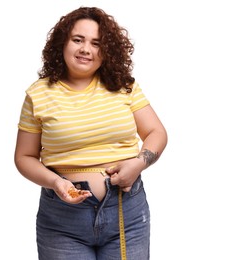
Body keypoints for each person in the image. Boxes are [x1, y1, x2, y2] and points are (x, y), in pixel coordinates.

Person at [14, 6, 167, 260]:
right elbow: (24, 157)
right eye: (78, 40)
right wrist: (56, 183)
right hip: (63, 222)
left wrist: (138, 164)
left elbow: (156, 132)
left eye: (96, 43)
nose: (86, 49)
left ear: (106, 51)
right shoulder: (38, 94)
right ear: (62, 43)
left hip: (126, 214)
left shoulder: (124, 87)